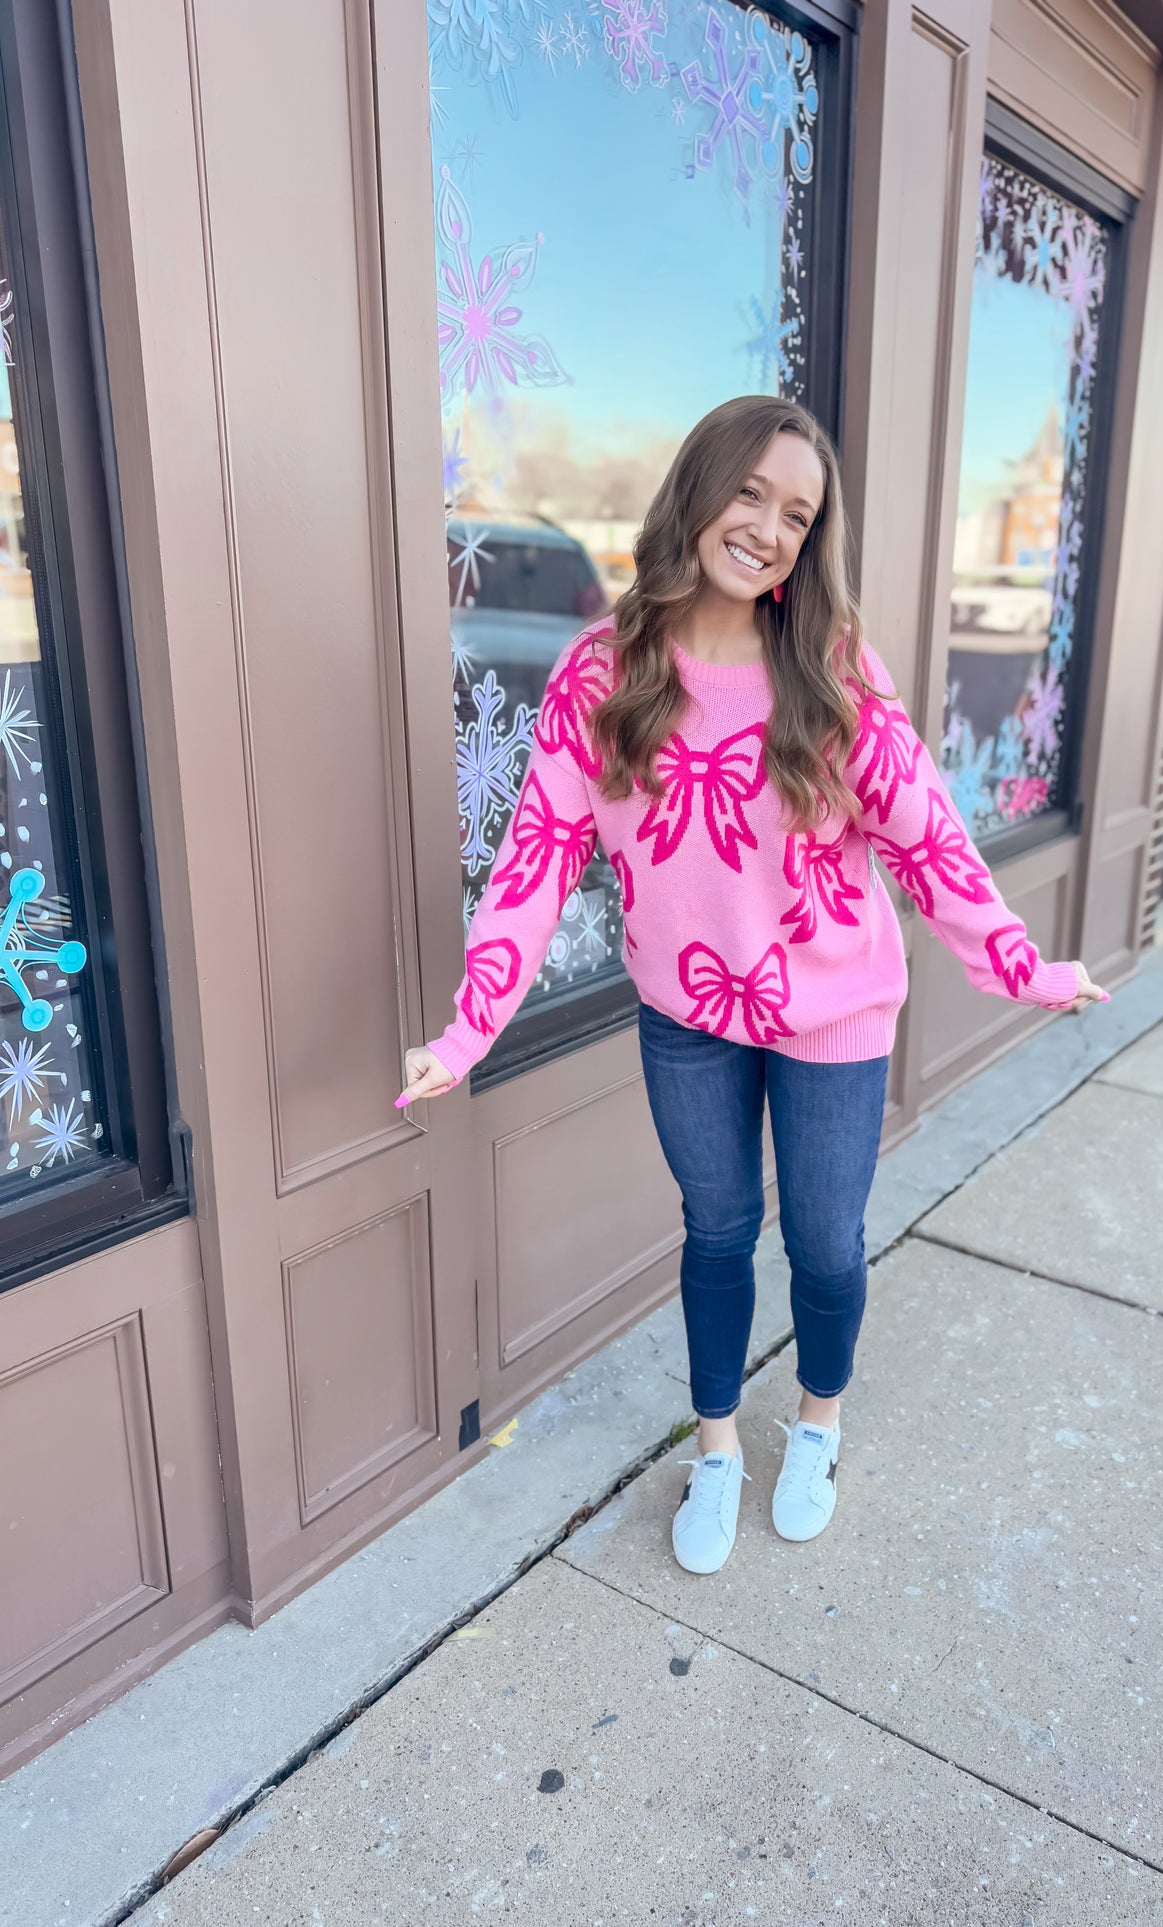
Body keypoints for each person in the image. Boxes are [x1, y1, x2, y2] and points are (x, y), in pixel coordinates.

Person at [398, 395, 1105, 1576]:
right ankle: (716, 1443)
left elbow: (925, 835)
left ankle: (817, 1422)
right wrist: (469, 1030)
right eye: (750, 494)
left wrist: (1016, 964)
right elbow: (532, 861)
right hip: (686, 1020)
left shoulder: (828, 667)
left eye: (796, 513)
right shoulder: (601, 670)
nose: (769, 528)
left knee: (825, 1245)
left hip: (834, 1012)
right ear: (698, 489)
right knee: (717, 1232)